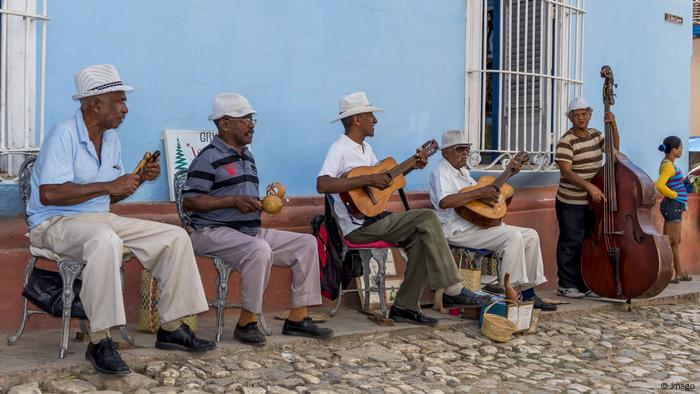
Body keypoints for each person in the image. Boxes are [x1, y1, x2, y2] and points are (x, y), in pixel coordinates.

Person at [26, 64, 215, 375]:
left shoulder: (110, 139)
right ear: (95, 104)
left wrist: (137, 180)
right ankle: (99, 340)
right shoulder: (64, 134)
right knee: (105, 240)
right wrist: (107, 186)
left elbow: (109, 197)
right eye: (119, 101)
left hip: (98, 218)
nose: (125, 109)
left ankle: (171, 327)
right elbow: (50, 194)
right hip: (54, 224)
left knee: (175, 237)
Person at [316, 92, 494, 327]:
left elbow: (382, 183)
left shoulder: (365, 149)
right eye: (371, 115)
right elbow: (323, 184)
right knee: (428, 216)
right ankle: (453, 289)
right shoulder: (340, 148)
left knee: (420, 238)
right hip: (357, 227)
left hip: (374, 218)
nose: (375, 121)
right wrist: (363, 181)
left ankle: (404, 307)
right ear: (357, 119)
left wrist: (411, 167)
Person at [183, 93, 332, 346]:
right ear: (225, 123)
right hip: (210, 231)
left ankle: (297, 319)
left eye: (252, 119)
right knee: (259, 250)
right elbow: (190, 200)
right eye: (244, 119)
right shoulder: (207, 158)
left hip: (248, 231)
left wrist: (265, 201)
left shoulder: (248, 157)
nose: (251, 124)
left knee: (306, 244)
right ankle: (246, 322)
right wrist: (232, 201)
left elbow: (241, 198)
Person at [428, 130, 556, 311]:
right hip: (458, 230)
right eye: (459, 149)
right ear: (445, 152)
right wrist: (480, 192)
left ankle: (529, 294)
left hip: (477, 226)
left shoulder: (463, 171)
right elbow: (445, 201)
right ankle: (510, 293)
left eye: (467, 148)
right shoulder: (441, 172)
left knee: (531, 235)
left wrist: (508, 173)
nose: (465, 152)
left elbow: (482, 196)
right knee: (512, 237)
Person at [554, 97, 619, 298]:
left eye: (584, 113)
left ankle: (585, 284)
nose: (581, 118)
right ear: (571, 117)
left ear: (589, 115)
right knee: (571, 242)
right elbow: (566, 172)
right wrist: (589, 186)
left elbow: (612, 150)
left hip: (593, 202)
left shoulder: (596, 134)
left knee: (587, 243)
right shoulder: (566, 141)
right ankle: (565, 285)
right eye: (576, 115)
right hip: (570, 201)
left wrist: (613, 125)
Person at [655, 136, 697, 283]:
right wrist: (674, 194)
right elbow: (660, 185)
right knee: (669, 241)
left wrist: (685, 181)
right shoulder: (667, 165)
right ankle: (668, 273)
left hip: (676, 206)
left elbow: (672, 181)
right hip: (672, 205)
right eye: (680, 147)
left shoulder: (670, 164)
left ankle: (678, 272)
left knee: (675, 241)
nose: (682, 150)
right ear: (674, 150)